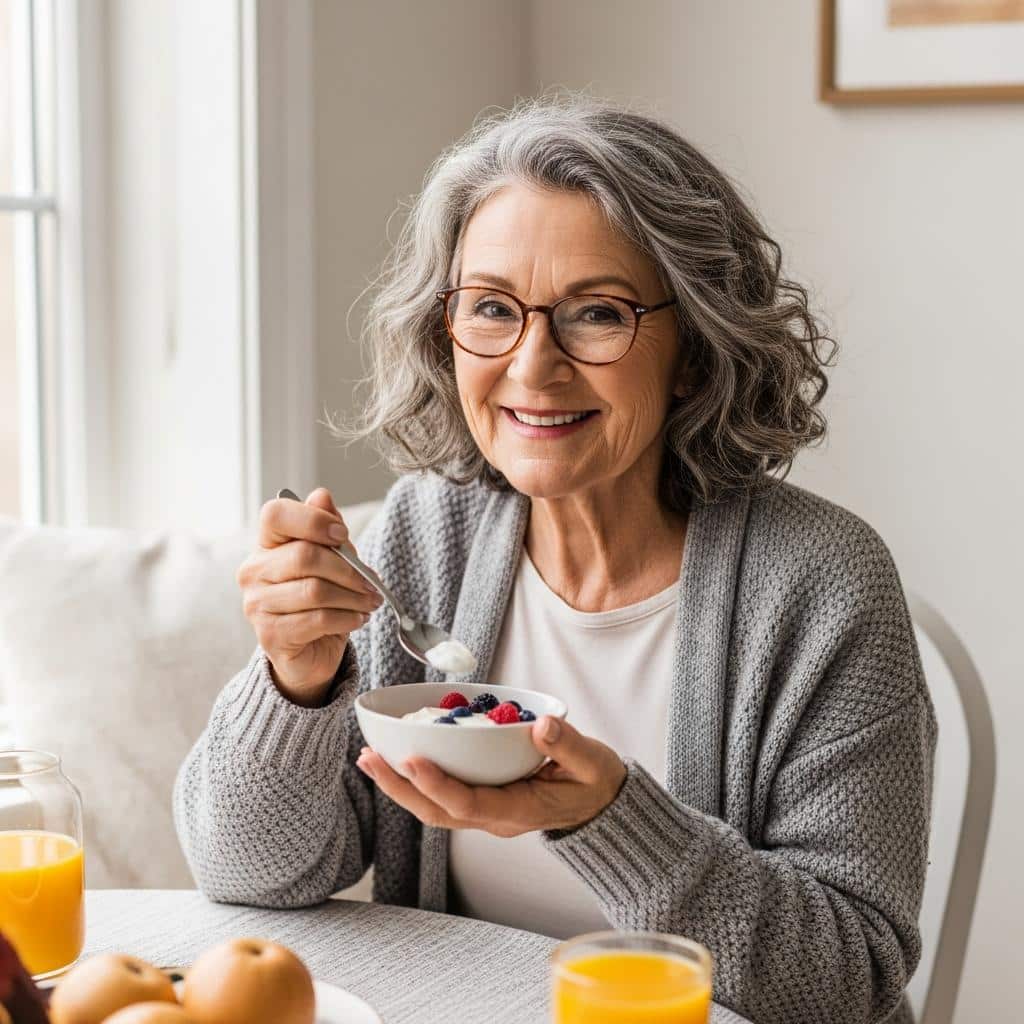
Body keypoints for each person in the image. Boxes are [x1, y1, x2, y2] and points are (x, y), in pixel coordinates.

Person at [174, 93, 935, 1024]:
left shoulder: (824, 584)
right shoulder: (424, 538)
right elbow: (252, 874)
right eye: (492, 308)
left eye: (596, 314)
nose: (533, 366)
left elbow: (847, 981)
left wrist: (606, 817)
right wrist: (293, 682)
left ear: (693, 348)